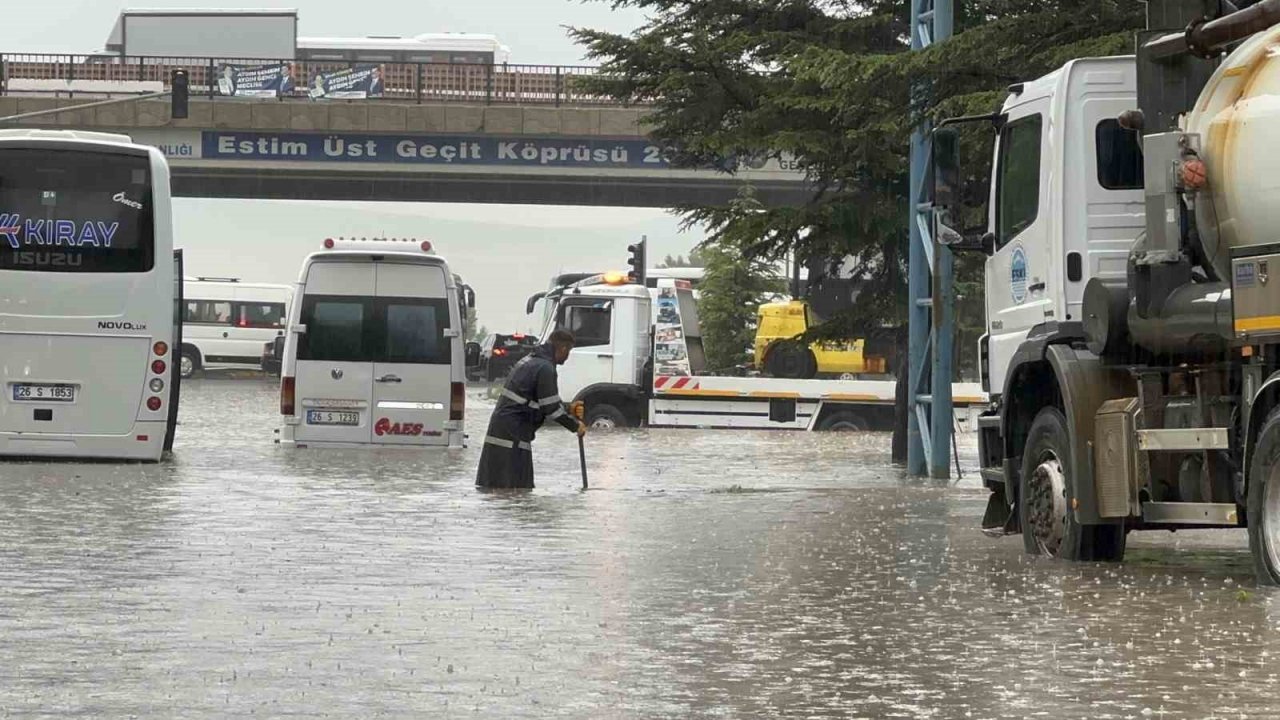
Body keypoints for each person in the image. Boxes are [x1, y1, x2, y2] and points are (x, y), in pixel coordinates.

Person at [476, 329, 586, 490]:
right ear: (563, 349)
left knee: (497, 488)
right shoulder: (546, 368)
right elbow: (552, 410)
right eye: (568, 351)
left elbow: (543, 401)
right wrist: (576, 427)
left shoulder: (531, 360)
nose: (568, 357)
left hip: (504, 429)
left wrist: (569, 408)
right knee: (516, 488)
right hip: (513, 434)